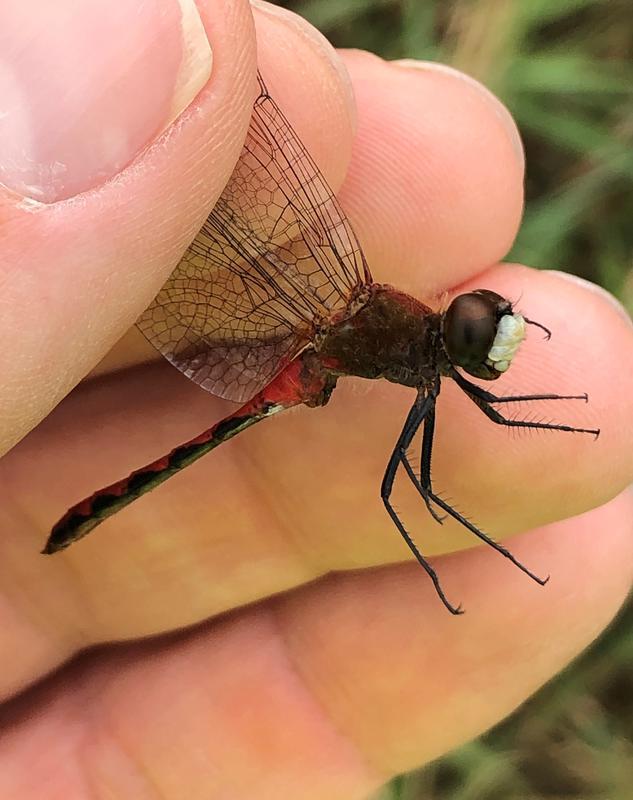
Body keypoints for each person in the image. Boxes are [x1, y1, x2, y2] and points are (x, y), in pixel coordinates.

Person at [0, 1, 631, 796]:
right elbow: (425, 474)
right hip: (297, 358)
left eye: (485, 328)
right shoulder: (410, 342)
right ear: (451, 337)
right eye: (483, 326)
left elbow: (489, 414)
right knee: (415, 485)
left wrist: (563, 408)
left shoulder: (424, 346)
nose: (495, 332)